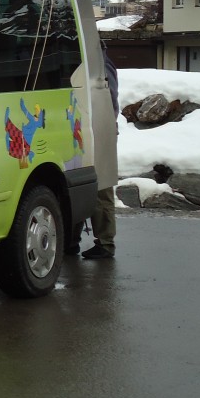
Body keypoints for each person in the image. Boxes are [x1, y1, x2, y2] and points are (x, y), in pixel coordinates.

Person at [82, 46, 120, 259]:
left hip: (99, 129)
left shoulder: (101, 67)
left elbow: (108, 100)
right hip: (90, 128)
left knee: (101, 187)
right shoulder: (97, 63)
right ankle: (72, 241)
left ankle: (105, 243)